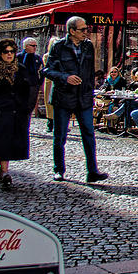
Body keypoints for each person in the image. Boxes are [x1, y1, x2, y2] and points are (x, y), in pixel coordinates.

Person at [44, 16, 108, 183]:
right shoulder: (58, 46)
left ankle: (92, 171)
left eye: (86, 29)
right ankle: (59, 170)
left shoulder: (87, 46)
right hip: (63, 97)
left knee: (89, 134)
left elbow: (89, 71)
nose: (86, 32)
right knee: (60, 136)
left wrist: (90, 92)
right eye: (82, 29)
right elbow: (47, 70)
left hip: (83, 97)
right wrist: (65, 77)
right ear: (71, 31)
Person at [0, 38, 33, 190]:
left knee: (12, 142)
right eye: (6, 52)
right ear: (0, 54)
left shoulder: (21, 69)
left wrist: (26, 108)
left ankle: (3, 171)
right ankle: (4, 171)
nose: (9, 54)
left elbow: (28, 90)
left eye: (11, 51)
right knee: (1, 141)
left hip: (16, 111)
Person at [19, 37, 44, 118]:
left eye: (36, 46)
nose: (35, 48)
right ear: (26, 46)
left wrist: (40, 82)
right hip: (21, 85)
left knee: (30, 106)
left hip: (33, 85)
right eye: (32, 46)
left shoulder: (37, 58)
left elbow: (42, 71)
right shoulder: (19, 57)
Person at [43, 37, 60, 133]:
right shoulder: (47, 56)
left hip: (60, 82)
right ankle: (50, 123)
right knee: (49, 103)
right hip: (50, 81)